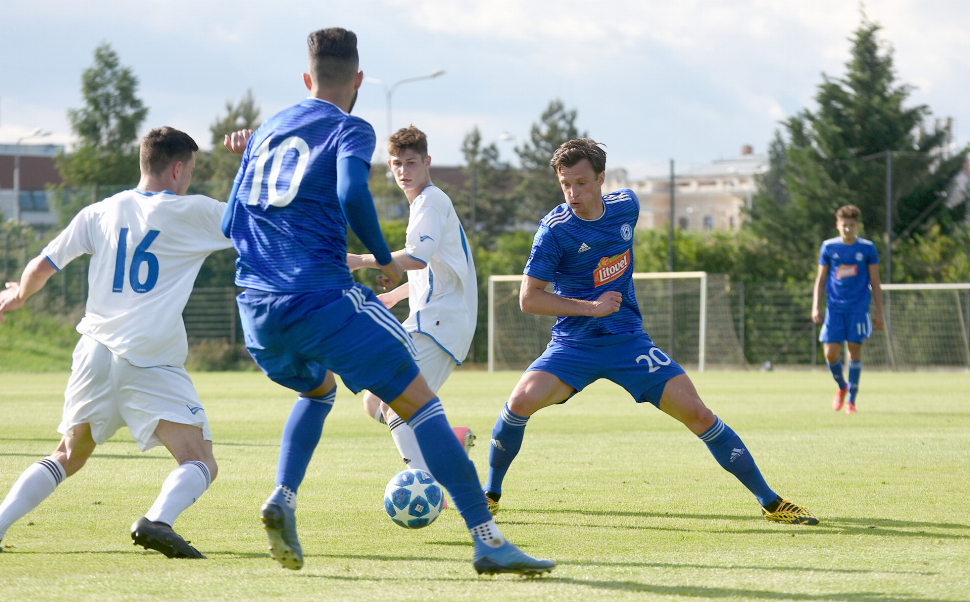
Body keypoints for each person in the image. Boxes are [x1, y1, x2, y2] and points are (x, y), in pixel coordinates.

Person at [220, 27, 553, 575]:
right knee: (421, 406)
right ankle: (488, 540)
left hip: (255, 305)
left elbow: (234, 221)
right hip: (320, 298)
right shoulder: (350, 125)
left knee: (319, 389)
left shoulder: (265, 133)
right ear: (357, 81)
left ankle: (284, 494)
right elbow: (352, 193)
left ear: (306, 79)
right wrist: (384, 256)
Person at [483, 138, 819, 526]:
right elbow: (529, 299)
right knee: (520, 402)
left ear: (601, 179)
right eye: (565, 184)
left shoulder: (628, 205)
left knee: (697, 413)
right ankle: (489, 496)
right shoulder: (553, 232)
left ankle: (771, 502)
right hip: (574, 344)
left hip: (628, 341)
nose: (573, 193)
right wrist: (590, 308)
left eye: (581, 183)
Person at [0, 127, 231, 558]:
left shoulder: (100, 211)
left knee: (69, 453)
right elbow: (264, 225)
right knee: (200, 460)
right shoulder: (194, 211)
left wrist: (18, 296)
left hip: (93, 351)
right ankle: (158, 520)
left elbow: (43, 264)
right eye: (192, 171)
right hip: (147, 357)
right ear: (178, 168)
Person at [347, 125, 478, 473]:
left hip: (441, 321)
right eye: (396, 164)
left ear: (427, 162)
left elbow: (416, 258)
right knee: (374, 401)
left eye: (411, 162)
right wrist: (396, 294)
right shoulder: (424, 204)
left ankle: (425, 485)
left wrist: (361, 260)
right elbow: (437, 268)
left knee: (397, 405)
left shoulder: (431, 202)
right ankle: (450, 440)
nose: (404, 171)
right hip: (430, 317)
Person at [812, 204, 884, 413]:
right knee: (830, 353)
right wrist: (816, 305)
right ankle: (842, 387)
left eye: (851, 225)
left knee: (854, 351)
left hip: (858, 307)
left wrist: (879, 312)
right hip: (834, 307)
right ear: (837, 225)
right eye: (844, 225)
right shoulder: (828, 247)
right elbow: (821, 278)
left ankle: (851, 400)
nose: (847, 229)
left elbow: (875, 282)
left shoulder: (867, 248)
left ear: (857, 226)